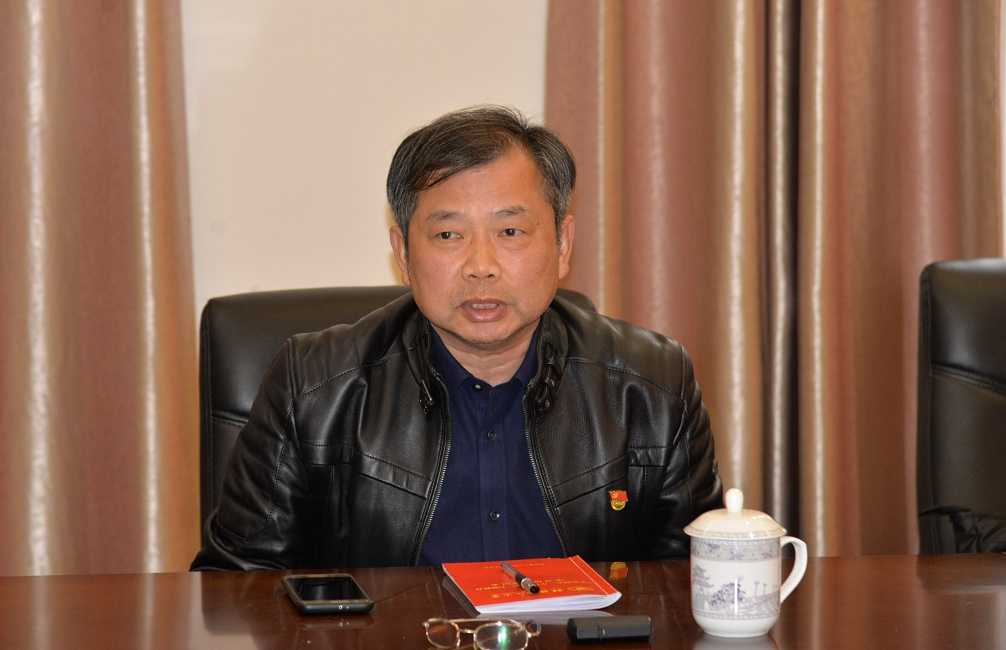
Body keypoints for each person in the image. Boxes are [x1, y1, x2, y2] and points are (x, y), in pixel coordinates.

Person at [191, 105, 721, 571]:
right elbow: (236, 589)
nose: (481, 266)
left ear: (563, 244)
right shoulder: (313, 387)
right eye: (448, 235)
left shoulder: (652, 387)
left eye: (510, 231)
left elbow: (694, 583)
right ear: (403, 254)